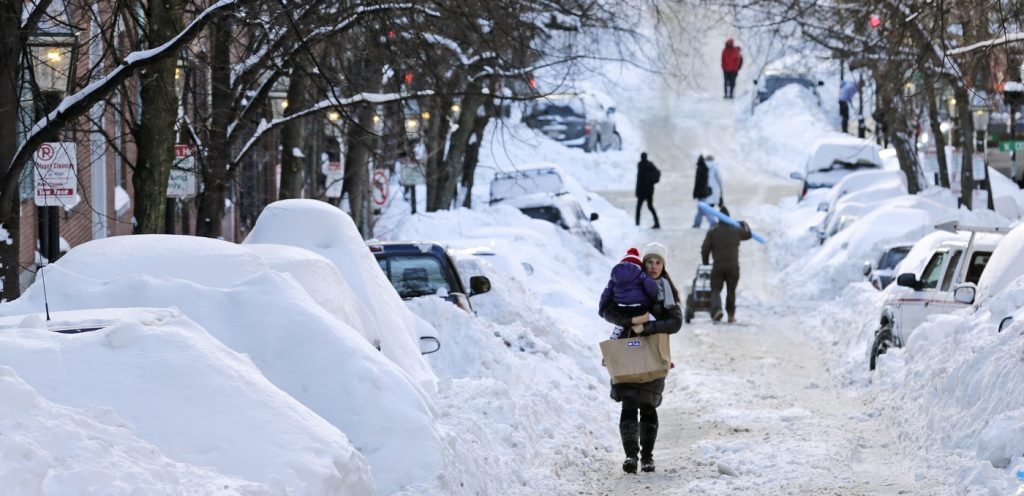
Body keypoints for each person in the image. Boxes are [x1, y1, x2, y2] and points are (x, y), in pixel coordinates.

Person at [599, 242, 682, 474]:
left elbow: (676, 322)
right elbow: (606, 311)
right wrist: (630, 321)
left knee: (648, 405)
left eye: (658, 262)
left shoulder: (665, 290)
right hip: (626, 351)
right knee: (628, 404)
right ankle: (630, 457)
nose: (654, 266)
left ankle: (647, 457)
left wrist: (648, 327)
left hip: (653, 353)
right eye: (649, 262)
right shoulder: (629, 285)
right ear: (643, 264)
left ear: (663, 266)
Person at [700, 206, 752, 323]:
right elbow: (748, 234)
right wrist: (744, 224)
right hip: (733, 267)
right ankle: (731, 315)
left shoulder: (713, 232)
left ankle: (717, 310)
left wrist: (705, 261)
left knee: (715, 289)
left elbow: (705, 248)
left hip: (718, 266)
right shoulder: (736, 230)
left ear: (719, 218)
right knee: (731, 290)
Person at [599, 248, 660, 329]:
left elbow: (606, 294)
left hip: (620, 309)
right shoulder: (641, 274)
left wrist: (602, 310)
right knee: (649, 305)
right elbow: (652, 288)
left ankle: (620, 325)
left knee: (608, 311)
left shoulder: (614, 278)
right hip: (639, 308)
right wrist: (655, 300)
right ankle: (642, 323)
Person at [692, 154, 722, 228]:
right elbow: (720, 179)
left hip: (703, 192)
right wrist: (721, 190)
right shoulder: (714, 167)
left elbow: (698, 182)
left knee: (703, 208)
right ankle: (710, 223)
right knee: (704, 208)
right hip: (710, 192)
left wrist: (696, 193)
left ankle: (700, 223)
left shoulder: (701, 168)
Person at [635, 152, 661, 229]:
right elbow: (658, 173)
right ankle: (657, 222)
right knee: (650, 206)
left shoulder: (641, 166)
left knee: (639, 208)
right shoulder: (650, 165)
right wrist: (652, 181)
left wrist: (637, 191)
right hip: (650, 190)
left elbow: (639, 180)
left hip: (642, 191)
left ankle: (637, 224)